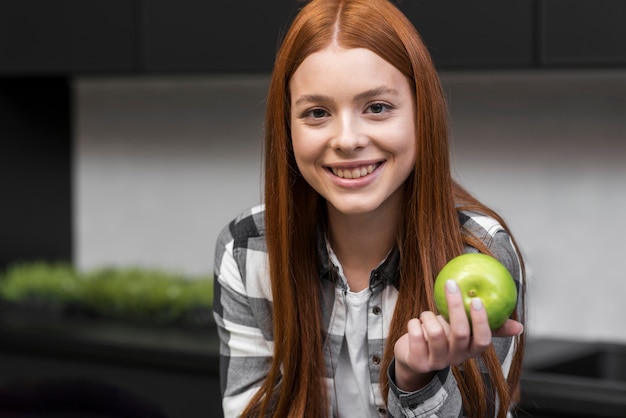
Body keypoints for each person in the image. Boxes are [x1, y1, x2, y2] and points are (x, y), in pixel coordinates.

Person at [212, 0, 526, 416]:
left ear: (422, 114)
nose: (347, 139)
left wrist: (416, 382)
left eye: (377, 107)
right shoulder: (247, 249)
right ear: (286, 126)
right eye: (317, 112)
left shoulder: (478, 253)